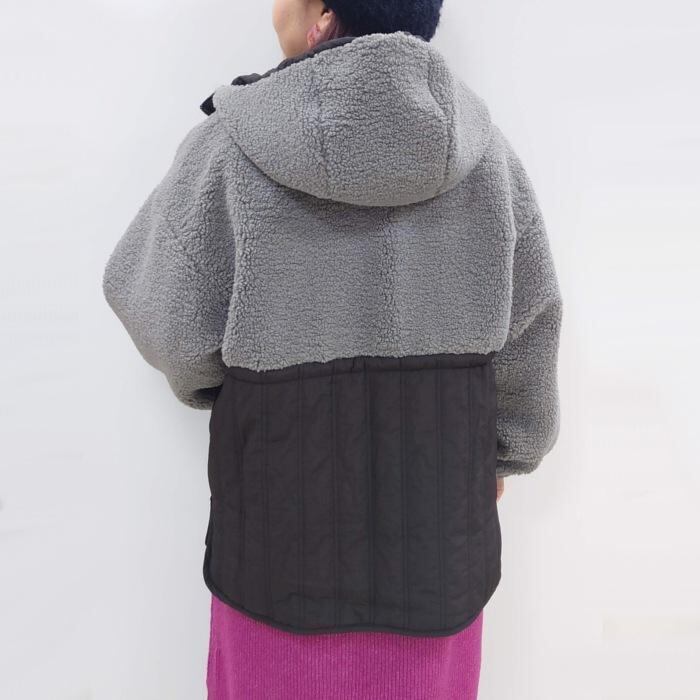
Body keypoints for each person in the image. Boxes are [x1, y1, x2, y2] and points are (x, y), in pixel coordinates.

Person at [101, 0, 563, 697]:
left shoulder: (228, 153)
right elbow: (532, 337)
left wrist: (224, 389)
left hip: (273, 563)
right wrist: (503, 453)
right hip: (438, 567)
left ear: (321, 13)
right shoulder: (489, 160)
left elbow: (159, 312)